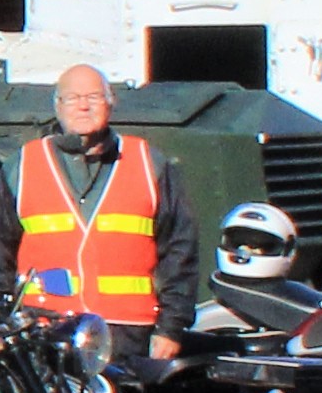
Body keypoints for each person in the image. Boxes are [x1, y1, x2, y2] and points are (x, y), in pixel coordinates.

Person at [18, 63, 205, 358]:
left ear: (111, 102)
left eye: (93, 97)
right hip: (45, 330)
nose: (83, 106)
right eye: (72, 98)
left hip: (129, 333)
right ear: (57, 105)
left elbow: (180, 250)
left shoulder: (149, 164)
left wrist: (171, 328)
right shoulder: (21, 167)